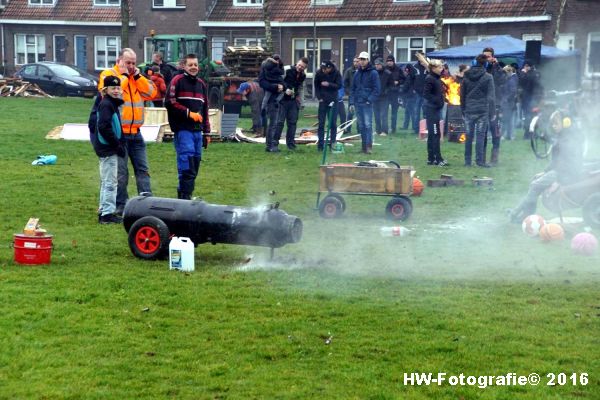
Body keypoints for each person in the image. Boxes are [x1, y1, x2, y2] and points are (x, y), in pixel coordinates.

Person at [98, 48, 156, 215]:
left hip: (136, 132)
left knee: (143, 169)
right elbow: (109, 94)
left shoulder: (136, 78)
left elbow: (152, 93)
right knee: (121, 173)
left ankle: (146, 203)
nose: (131, 66)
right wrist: (123, 76)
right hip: (120, 134)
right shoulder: (108, 75)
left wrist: (137, 77)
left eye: (133, 63)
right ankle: (120, 205)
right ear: (119, 61)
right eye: (127, 62)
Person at [508, 110, 584, 223]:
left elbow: (568, 164)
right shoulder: (564, 136)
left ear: (566, 122)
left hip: (565, 174)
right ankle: (523, 213)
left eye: (556, 123)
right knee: (535, 181)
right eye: (552, 124)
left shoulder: (567, 140)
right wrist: (545, 172)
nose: (553, 126)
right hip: (560, 171)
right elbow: (556, 160)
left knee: (535, 185)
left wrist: (559, 180)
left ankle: (521, 215)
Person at [165, 53, 211, 200]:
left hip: (198, 132)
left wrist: (207, 133)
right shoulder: (177, 80)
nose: (193, 67)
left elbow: (205, 110)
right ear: (184, 66)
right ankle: (184, 197)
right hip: (183, 129)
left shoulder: (201, 84)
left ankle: (187, 194)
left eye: (195, 65)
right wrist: (188, 113)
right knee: (187, 164)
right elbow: (169, 102)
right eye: (190, 65)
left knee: (195, 164)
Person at [91, 76, 126, 224]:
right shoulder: (107, 105)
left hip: (108, 147)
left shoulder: (111, 104)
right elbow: (104, 126)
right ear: (106, 90)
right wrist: (116, 145)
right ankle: (107, 214)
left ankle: (104, 210)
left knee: (106, 181)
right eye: (113, 88)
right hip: (108, 148)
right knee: (110, 182)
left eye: (118, 88)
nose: (116, 91)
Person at [460, 54, 495, 167]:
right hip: (482, 110)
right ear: (485, 64)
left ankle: (467, 161)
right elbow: (491, 97)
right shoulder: (488, 77)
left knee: (468, 136)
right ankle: (479, 161)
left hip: (469, 109)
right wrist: (492, 113)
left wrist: (463, 110)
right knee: (480, 136)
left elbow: (462, 95)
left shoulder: (466, 76)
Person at [349, 51, 380, 154]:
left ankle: (369, 147)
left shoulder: (373, 73)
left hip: (367, 103)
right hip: (358, 103)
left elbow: (377, 89)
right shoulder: (357, 73)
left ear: (367, 60)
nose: (361, 61)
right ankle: (363, 147)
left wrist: (369, 100)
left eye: (363, 59)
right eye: (360, 59)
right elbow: (352, 89)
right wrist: (351, 102)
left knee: (368, 125)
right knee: (361, 126)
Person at [275, 57, 308, 150]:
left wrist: (302, 102)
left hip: (293, 101)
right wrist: (285, 90)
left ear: (305, 68)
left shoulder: (303, 75)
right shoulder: (286, 69)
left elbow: (301, 88)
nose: (300, 67)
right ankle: (274, 143)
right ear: (297, 63)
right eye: (299, 65)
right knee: (280, 122)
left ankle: (291, 144)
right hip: (282, 99)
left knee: (293, 123)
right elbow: (278, 81)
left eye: (302, 67)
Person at [483, 47, 506, 165]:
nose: (486, 58)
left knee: (495, 131)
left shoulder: (497, 69)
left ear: (492, 57)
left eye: (488, 56)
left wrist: (496, 66)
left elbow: (501, 80)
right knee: (483, 132)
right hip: (483, 104)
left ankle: (494, 158)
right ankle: (481, 158)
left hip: (495, 104)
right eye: (484, 56)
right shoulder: (481, 67)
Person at [422, 59, 448, 166]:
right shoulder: (430, 79)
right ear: (433, 68)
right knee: (435, 134)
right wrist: (436, 101)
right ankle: (437, 159)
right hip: (432, 110)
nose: (441, 69)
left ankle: (431, 158)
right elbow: (426, 94)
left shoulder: (436, 78)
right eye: (439, 67)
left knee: (434, 134)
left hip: (436, 109)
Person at [259, 55, 285, 152]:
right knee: (273, 124)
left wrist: (282, 86)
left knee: (273, 123)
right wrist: (276, 87)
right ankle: (271, 146)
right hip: (272, 101)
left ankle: (270, 145)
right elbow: (263, 84)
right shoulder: (267, 72)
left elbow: (283, 83)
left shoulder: (272, 71)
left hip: (274, 100)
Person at [314, 60, 342, 151]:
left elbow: (339, 85)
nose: (323, 71)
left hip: (333, 100)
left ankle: (332, 143)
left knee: (333, 123)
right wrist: (319, 97)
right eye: (322, 68)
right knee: (321, 123)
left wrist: (329, 84)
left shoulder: (337, 73)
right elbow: (316, 86)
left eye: (325, 69)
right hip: (323, 101)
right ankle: (320, 145)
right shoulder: (319, 73)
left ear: (330, 68)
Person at [385, 55, 405, 134]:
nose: (389, 63)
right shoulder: (385, 69)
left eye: (390, 61)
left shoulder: (398, 69)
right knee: (384, 111)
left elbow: (404, 79)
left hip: (395, 93)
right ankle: (385, 128)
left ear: (393, 61)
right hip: (386, 93)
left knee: (394, 112)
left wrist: (398, 82)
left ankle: (393, 128)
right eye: (388, 61)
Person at [373, 58, 392, 137]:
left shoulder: (387, 73)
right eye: (376, 65)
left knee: (384, 114)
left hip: (384, 97)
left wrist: (386, 91)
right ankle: (378, 130)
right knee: (376, 114)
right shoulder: (373, 73)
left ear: (382, 64)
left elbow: (391, 85)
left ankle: (384, 131)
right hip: (375, 97)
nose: (377, 66)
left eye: (378, 64)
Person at [501, 65, 518, 140]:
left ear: (509, 71)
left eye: (505, 72)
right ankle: (509, 135)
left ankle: (509, 135)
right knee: (508, 119)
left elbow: (513, 91)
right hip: (509, 103)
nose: (504, 74)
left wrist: (506, 99)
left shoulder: (512, 80)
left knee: (509, 120)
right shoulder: (510, 79)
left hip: (509, 103)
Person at [343, 57, 359, 133]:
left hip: (360, 95)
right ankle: (348, 129)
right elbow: (345, 82)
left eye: (357, 61)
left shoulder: (361, 71)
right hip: (352, 95)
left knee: (359, 113)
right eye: (354, 61)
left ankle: (359, 130)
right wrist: (348, 91)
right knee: (350, 113)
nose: (355, 63)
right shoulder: (349, 71)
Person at [413, 55, 427, 135]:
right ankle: (416, 128)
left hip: (426, 93)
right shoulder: (414, 67)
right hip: (417, 93)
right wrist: (413, 89)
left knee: (425, 111)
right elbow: (411, 78)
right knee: (416, 111)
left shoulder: (428, 67)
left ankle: (425, 128)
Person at [402, 63, 418, 132]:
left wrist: (402, 90)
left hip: (410, 96)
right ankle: (405, 126)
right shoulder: (414, 75)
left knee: (411, 112)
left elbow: (406, 86)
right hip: (412, 96)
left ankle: (414, 127)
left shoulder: (409, 77)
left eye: (406, 70)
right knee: (408, 112)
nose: (405, 71)